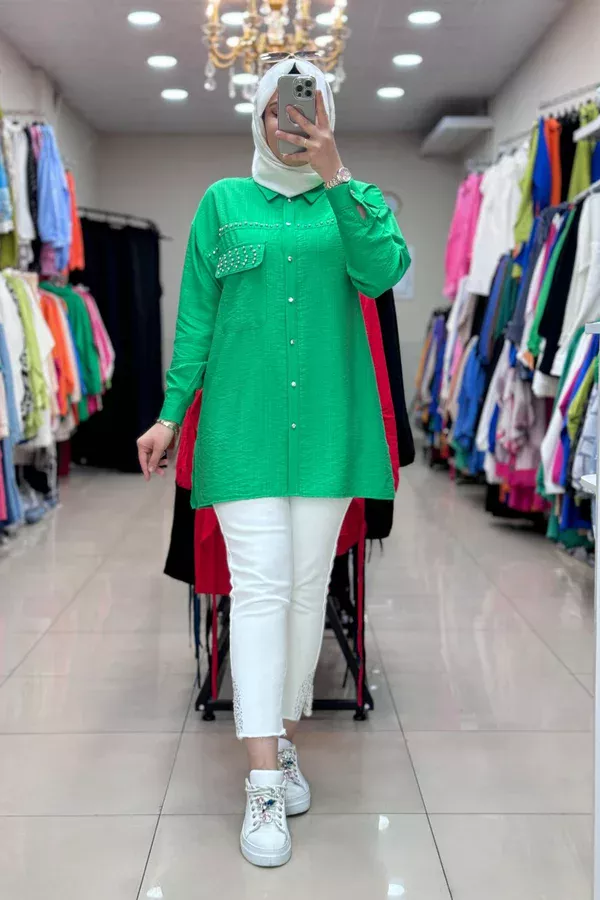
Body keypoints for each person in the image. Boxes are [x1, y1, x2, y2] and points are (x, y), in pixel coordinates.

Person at [137, 57, 411, 868]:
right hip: (242, 430)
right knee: (258, 590)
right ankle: (262, 780)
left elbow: (384, 270)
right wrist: (169, 414)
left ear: (327, 117)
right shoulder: (222, 205)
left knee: (303, 594)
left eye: (310, 109)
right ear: (258, 117)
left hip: (328, 430)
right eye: (281, 111)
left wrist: (337, 175)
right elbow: (196, 318)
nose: (294, 124)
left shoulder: (353, 202)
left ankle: (281, 739)